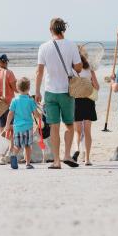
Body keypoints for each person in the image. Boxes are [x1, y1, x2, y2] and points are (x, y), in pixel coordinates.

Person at [35, 18, 83, 169]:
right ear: (63, 29)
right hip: (67, 91)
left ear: (51, 30)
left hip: (50, 91)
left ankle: (56, 161)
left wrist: (37, 91)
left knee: (54, 126)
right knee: (69, 125)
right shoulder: (71, 45)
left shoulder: (43, 47)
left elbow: (39, 71)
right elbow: (79, 68)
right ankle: (67, 155)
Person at [5, 77, 41, 170]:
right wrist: (40, 120)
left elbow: (10, 114)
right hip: (28, 127)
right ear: (29, 88)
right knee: (28, 146)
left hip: (17, 128)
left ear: (17, 88)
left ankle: (13, 155)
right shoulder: (30, 101)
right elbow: (35, 113)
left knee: (17, 145)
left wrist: (7, 125)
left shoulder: (14, 100)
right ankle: (28, 163)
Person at [72, 47, 99, 166]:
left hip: (76, 102)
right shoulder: (89, 69)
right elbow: (97, 87)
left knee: (77, 132)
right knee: (87, 131)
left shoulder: (72, 69)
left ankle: (76, 150)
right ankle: (87, 159)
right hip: (88, 101)